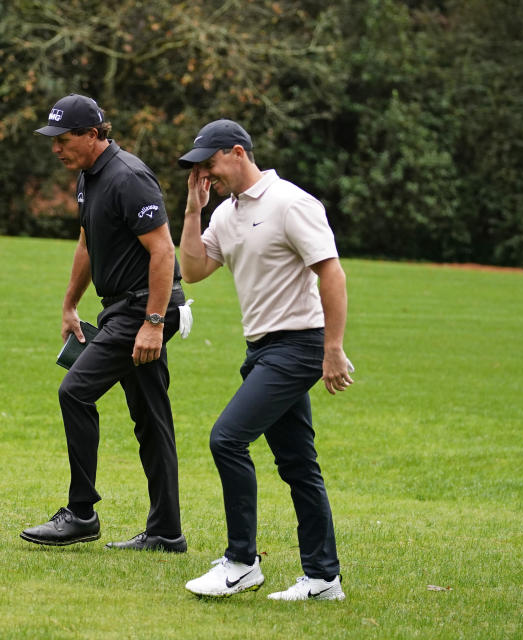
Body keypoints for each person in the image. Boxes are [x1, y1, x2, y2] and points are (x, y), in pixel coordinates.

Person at [177, 119, 353, 600]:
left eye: (210, 165)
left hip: (299, 346)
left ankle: (241, 562)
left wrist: (332, 349)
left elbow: (332, 273)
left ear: (238, 152)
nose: (206, 175)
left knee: (227, 439)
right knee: (298, 464)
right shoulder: (224, 214)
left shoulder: (290, 203)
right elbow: (193, 271)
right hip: (261, 350)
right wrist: (194, 211)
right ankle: (323, 579)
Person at [20, 94, 188, 553]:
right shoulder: (88, 178)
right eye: (52, 139)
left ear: (93, 135)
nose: (56, 147)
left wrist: (152, 322)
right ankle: (167, 533)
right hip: (120, 308)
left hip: (142, 309)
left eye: (64, 138)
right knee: (152, 420)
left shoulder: (128, 177)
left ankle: (81, 513)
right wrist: (70, 302)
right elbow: (87, 242)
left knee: (74, 391)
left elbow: (163, 251)